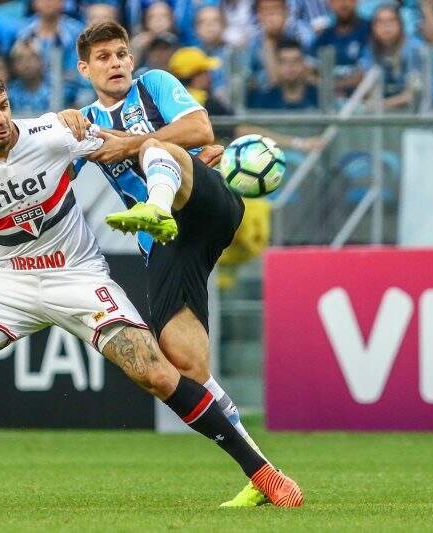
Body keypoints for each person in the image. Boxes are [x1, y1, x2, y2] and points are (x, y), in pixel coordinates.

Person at [0, 71, 301, 509]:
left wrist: (194, 157)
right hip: (10, 280)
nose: (2, 119)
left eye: (5, 106)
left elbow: (129, 146)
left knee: (156, 372)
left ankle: (262, 473)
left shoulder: (51, 133)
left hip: (77, 275)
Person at [59, 21, 299, 508]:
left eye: (122, 54)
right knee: (184, 361)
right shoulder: (84, 121)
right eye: (103, 57)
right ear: (85, 69)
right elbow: (55, 173)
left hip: (205, 201)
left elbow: (201, 130)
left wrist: (130, 143)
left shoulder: (155, 84)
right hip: (168, 243)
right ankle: (263, 473)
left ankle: (158, 205)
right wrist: (61, 128)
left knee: (157, 146)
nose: (117, 63)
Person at [360, 5, 423, 110]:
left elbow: (413, 94)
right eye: (380, 22)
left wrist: (382, 104)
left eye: (391, 20)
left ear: (400, 24)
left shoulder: (415, 48)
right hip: (384, 113)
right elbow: (369, 89)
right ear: (373, 27)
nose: (386, 26)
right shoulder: (370, 50)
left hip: (416, 112)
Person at [311, 0, 370, 96]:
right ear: (330, 4)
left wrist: (331, 86)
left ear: (356, 2)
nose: (343, 3)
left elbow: (367, 74)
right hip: (327, 103)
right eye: (337, 0)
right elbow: (309, 73)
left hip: (363, 101)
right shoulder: (323, 37)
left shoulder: (370, 31)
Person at [248, 37, 319, 110]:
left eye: (296, 61)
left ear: (303, 64)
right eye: (284, 61)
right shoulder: (264, 101)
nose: (290, 66)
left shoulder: (319, 98)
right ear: (277, 66)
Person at [167, 46, 232, 117]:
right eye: (205, 72)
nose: (209, 76)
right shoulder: (209, 104)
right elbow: (238, 126)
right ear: (195, 76)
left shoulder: (166, 102)